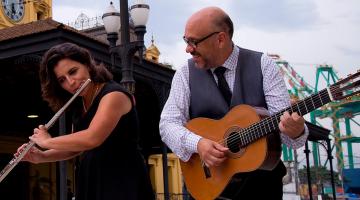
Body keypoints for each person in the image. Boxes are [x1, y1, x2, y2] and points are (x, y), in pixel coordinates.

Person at [159, 7, 309, 200]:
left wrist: (295, 130)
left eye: (193, 42)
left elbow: (287, 138)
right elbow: (167, 125)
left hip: (261, 187)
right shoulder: (184, 74)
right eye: (186, 41)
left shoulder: (264, 65)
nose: (188, 48)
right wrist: (199, 144)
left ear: (220, 39)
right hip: (208, 188)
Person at [16, 43, 154, 200]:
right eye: (62, 80)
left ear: (88, 64)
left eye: (73, 71)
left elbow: (92, 138)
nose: (71, 82)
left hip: (121, 178)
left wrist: (47, 141)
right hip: (92, 177)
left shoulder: (114, 95)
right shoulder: (78, 103)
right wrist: (41, 156)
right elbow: (76, 148)